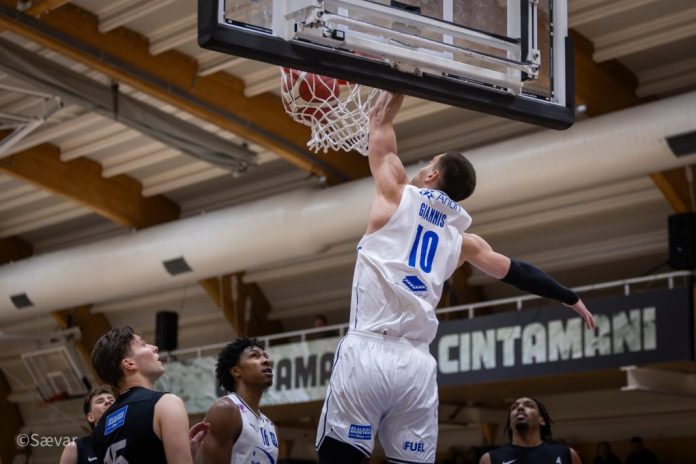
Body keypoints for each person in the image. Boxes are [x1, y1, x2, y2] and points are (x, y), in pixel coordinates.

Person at [315, 91, 596, 464]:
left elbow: (380, 120)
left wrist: (400, 76)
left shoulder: (395, 194)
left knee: (339, 458)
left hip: (368, 350)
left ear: (432, 174)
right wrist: (569, 297)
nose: (423, 167)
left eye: (430, 163)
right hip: (416, 366)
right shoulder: (463, 242)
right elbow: (518, 272)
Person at [90, 326, 208, 464]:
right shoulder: (167, 403)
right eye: (144, 344)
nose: (155, 348)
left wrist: (185, 454)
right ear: (129, 363)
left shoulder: (99, 429)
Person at [201, 338, 278, 464]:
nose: (266, 361)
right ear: (236, 371)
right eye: (254, 356)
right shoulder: (224, 410)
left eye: (266, 356)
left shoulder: (271, 427)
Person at [479, 397, 582, 464]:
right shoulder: (490, 459)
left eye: (529, 405)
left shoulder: (566, 454)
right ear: (509, 424)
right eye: (514, 407)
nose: (520, 408)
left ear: (541, 420)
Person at [58, 385, 115, 464]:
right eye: (100, 401)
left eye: (112, 400)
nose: (108, 402)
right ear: (91, 417)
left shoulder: (130, 436)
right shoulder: (76, 447)